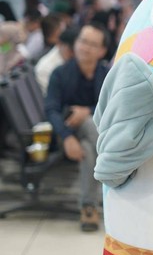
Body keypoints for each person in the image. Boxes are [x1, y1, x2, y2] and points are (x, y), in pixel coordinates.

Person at [45, 21, 110, 232]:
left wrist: (86, 111)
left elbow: (111, 106)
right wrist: (66, 137)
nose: (85, 47)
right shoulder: (60, 74)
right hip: (64, 135)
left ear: (101, 51)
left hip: (91, 136)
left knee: (89, 149)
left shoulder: (107, 75)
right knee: (89, 124)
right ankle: (114, 160)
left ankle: (88, 207)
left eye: (92, 44)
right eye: (82, 41)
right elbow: (51, 111)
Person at [35, 26, 78, 94]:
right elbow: (54, 97)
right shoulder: (45, 68)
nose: (74, 55)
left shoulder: (76, 58)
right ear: (59, 44)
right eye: (71, 50)